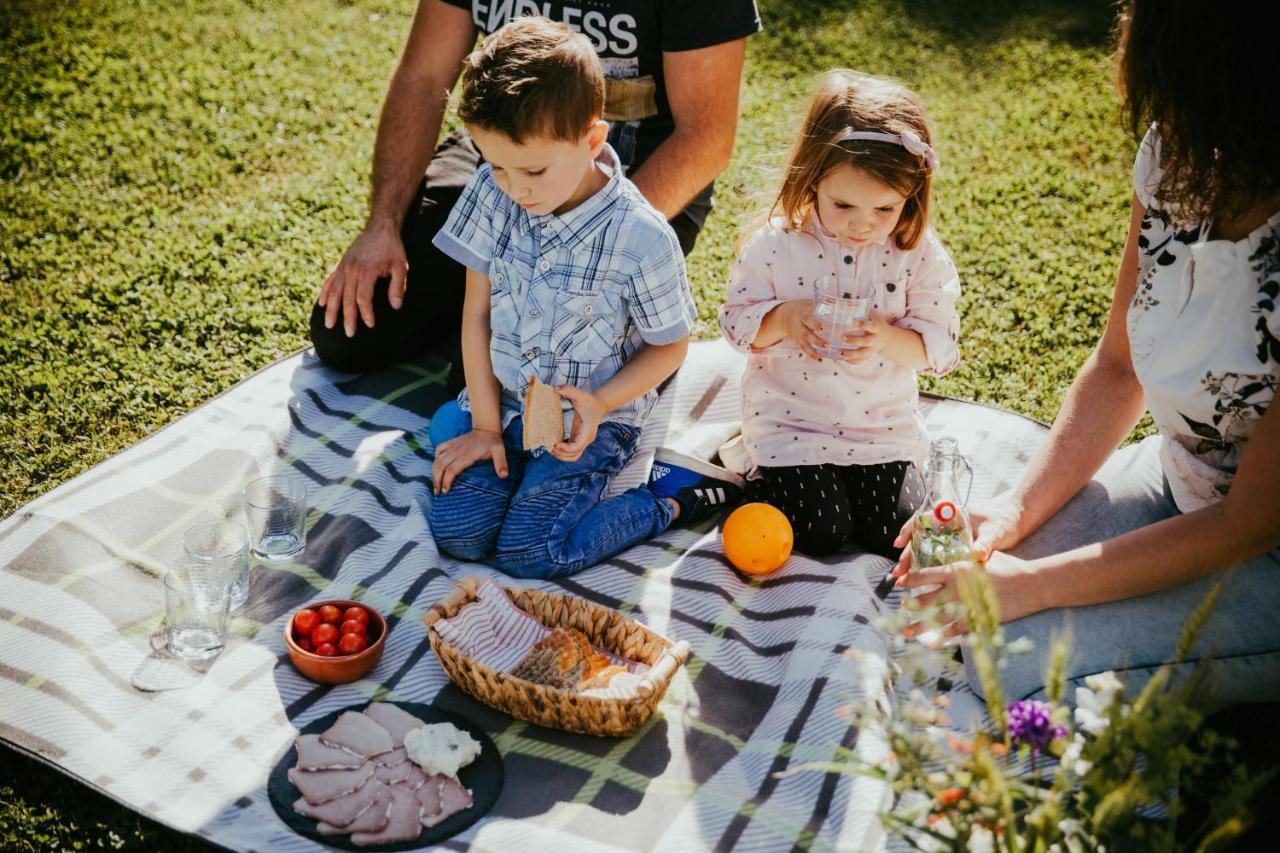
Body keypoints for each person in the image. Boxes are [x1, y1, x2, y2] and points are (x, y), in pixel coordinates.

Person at [892, 0, 1280, 705]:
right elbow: (1117, 366)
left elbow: (1250, 522)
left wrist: (1031, 586)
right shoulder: (1177, 155)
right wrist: (1011, 516)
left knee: (1013, 670)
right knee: (951, 593)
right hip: (1181, 486)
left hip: (1263, 550)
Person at [426, 18, 744, 579]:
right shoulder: (491, 192)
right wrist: (484, 428)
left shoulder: (641, 236)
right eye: (495, 164)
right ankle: (483, 442)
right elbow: (476, 314)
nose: (513, 188)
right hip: (504, 405)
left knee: (533, 552)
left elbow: (669, 348)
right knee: (459, 534)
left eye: (533, 170)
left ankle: (673, 498)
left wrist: (600, 404)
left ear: (593, 140)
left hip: (589, 419)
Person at [309, 0, 760, 378]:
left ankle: (488, 303)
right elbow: (424, 79)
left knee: (519, 384)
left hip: (629, 183)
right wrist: (381, 226)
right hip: (503, 164)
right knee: (350, 334)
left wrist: (590, 252)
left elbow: (705, 136)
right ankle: (477, 299)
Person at [717, 70, 961, 560]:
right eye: (844, 203)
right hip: (793, 427)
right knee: (823, 529)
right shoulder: (777, 245)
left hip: (880, 435)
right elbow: (736, 325)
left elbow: (940, 347)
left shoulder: (918, 255)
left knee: (893, 531)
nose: (862, 224)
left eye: (885, 209)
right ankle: (744, 469)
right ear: (812, 178)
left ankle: (839, 491)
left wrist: (887, 341)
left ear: (912, 195)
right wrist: (784, 319)